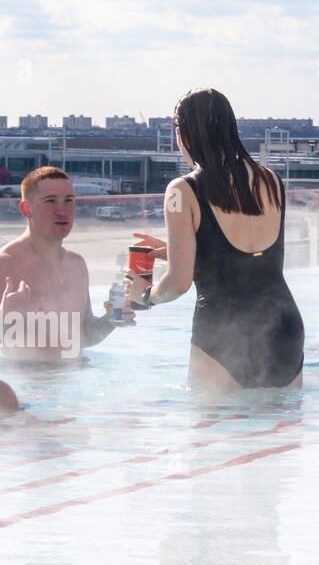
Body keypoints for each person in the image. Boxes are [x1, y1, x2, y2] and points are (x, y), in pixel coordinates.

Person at [130, 87, 303, 391]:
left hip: (224, 330)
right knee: (278, 433)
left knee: (213, 435)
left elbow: (177, 284)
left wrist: (145, 296)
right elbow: (250, 258)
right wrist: (181, 252)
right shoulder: (271, 181)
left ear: (183, 134)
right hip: (283, 326)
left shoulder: (181, 191)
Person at [0, 166, 131, 361]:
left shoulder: (76, 265)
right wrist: (4, 314)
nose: (62, 211)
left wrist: (112, 319)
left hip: (72, 383)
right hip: (21, 385)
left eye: (68, 201)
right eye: (51, 202)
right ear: (25, 208)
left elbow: (84, 335)